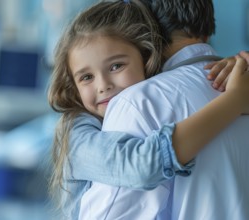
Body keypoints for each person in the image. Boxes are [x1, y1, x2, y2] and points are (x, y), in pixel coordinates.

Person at [47, 1, 249, 219]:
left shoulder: (139, 102)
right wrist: (234, 100)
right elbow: (141, 165)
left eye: (116, 66)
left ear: (147, 49)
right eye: (86, 77)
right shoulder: (79, 132)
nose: (103, 85)